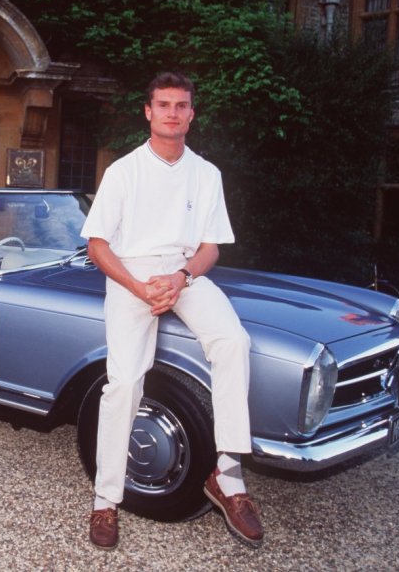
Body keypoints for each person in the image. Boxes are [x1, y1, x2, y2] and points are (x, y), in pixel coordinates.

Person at [80, 71, 263, 549]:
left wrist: (180, 279)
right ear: (148, 111)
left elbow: (210, 249)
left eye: (182, 105)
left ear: (191, 114)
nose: (173, 113)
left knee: (233, 341)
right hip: (130, 274)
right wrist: (140, 288)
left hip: (185, 273)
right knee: (123, 382)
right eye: (164, 104)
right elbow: (97, 246)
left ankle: (228, 476)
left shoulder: (206, 173)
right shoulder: (123, 171)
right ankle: (105, 501)